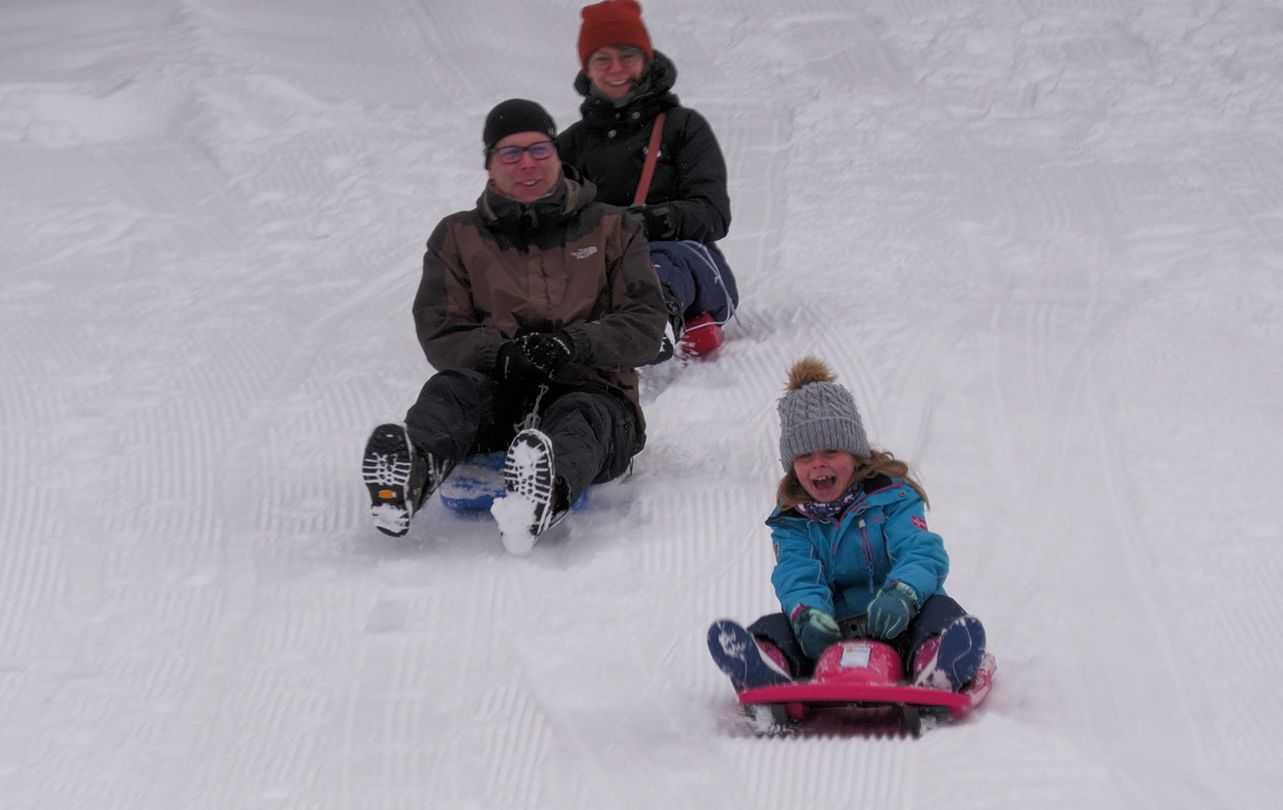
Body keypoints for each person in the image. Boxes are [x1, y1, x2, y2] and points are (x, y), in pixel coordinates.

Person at [361, 98, 668, 554]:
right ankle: (411, 472)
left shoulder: (612, 228)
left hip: (594, 389)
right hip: (496, 393)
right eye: (511, 153)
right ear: (490, 166)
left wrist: (573, 344)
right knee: (451, 391)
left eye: (539, 150)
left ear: (557, 156)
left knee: (582, 418)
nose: (527, 163)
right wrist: (498, 355)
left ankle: (544, 492)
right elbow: (440, 328)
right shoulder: (458, 237)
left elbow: (645, 323)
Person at [707, 358, 988, 692]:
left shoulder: (892, 497)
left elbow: (920, 551)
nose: (818, 464)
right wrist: (807, 616)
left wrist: (903, 594)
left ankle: (938, 662)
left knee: (941, 612)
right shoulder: (793, 518)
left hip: (900, 621)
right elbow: (796, 573)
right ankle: (767, 668)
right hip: (829, 635)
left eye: (830, 451)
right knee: (775, 627)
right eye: (805, 457)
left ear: (855, 454)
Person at [557, 0, 739, 360]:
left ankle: (656, 326)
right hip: (596, 261)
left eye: (627, 56)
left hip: (677, 257)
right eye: (602, 59)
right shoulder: (570, 145)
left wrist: (650, 221)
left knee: (655, 266)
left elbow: (713, 213)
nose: (616, 69)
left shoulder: (683, 128)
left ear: (646, 58)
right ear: (588, 69)